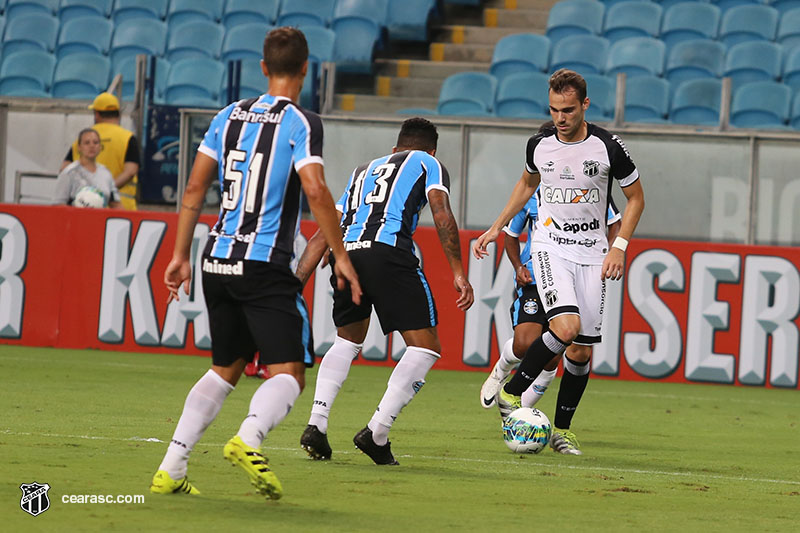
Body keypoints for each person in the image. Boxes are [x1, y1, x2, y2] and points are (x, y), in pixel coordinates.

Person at [149, 27, 361, 500]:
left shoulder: (227, 115)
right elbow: (315, 189)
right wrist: (341, 256)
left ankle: (171, 468)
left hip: (216, 258)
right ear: (305, 69)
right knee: (289, 372)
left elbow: (193, 188)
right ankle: (248, 438)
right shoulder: (301, 121)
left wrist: (180, 255)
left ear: (263, 68)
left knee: (226, 366)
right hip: (262, 263)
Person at [472, 69, 645, 455]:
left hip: (593, 253)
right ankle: (513, 392)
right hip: (551, 247)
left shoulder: (608, 147)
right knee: (566, 327)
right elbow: (526, 184)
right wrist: (496, 228)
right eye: (553, 110)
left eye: (568, 110)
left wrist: (619, 247)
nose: (560, 118)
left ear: (585, 105)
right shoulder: (539, 145)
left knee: (581, 351)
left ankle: (562, 431)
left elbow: (636, 198)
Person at [295, 117, 474, 465]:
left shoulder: (363, 171)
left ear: (394, 149)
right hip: (388, 253)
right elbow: (441, 213)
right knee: (425, 347)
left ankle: (316, 423)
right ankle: (377, 432)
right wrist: (458, 271)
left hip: (346, 254)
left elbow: (323, 232)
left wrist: (294, 285)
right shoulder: (429, 163)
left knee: (346, 340)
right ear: (432, 151)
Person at [480, 181, 621, 416]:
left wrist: (608, 254)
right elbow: (511, 235)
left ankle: (516, 416)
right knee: (525, 343)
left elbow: (615, 222)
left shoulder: (593, 187)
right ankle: (502, 368)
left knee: (554, 354)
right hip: (537, 276)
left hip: (576, 278)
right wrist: (518, 267)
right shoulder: (532, 192)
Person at [61, 92, 140, 210]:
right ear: (118, 114)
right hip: (121, 209)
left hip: (85, 207)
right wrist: (105, 191)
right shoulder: (128, 138)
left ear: (96, 114)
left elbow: (65, 168)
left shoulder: (83, 139)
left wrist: (89, 193)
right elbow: (131, 171)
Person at [53, 128, 121, 208]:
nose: (92, 146)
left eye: (95, 142)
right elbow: (57, 204)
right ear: (79, 147)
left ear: (100, 147)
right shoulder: (69, 172)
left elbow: (115, 204)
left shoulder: (106, 173)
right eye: (87, 143)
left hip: (100, 216)